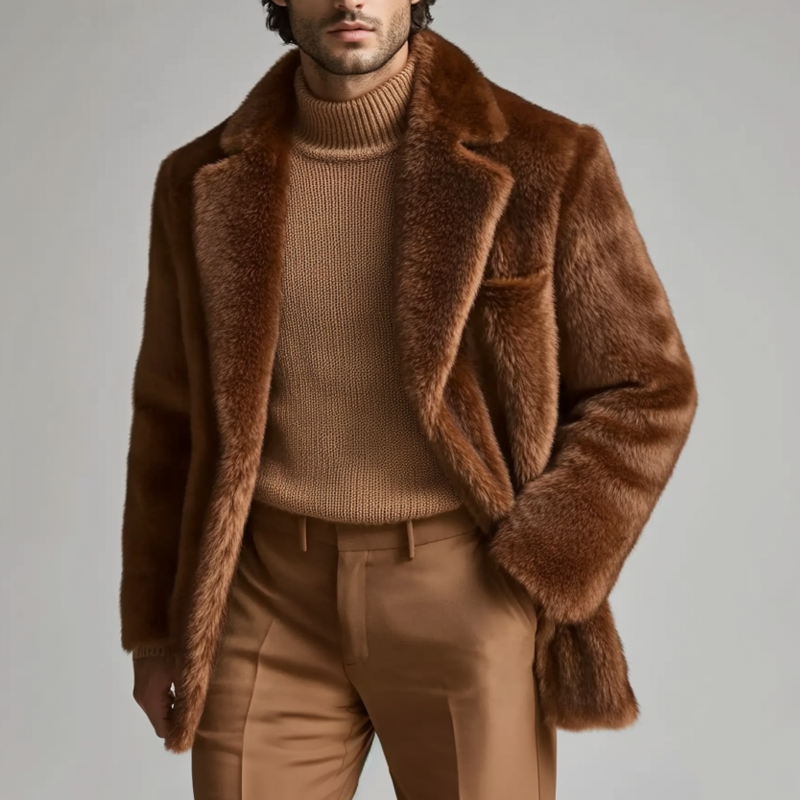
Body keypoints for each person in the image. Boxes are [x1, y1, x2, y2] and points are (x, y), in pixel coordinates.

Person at [120, 2, 699, 798]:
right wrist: (157, 632)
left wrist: (542, 560)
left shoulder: (546, 158)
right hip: (264, 597)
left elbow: (648, 386)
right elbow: (170, 413)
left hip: (461, 590)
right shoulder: (198, 179)